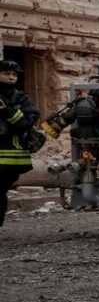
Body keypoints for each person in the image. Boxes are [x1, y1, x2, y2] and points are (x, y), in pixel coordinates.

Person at [0, 59, 40, 227]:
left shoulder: (21, 98)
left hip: (10, 158)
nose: (11, 77)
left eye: (14, 74)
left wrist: (7, 111)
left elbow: (27, 123)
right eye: (6, 73)